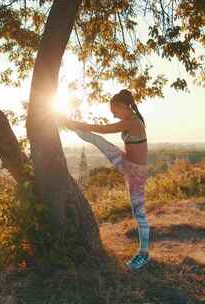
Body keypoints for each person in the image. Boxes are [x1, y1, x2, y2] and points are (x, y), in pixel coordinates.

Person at [60, 89, 150, 270]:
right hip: (126, 162)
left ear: (124, 106)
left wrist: (80, 124)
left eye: (114, 110)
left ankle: (143, 253)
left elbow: (104, 129)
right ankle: (68, 123)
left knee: (139, 212)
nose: (113, 113)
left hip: (136, 172)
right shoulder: (130, 120)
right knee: (96, 140)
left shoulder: (132, 122)